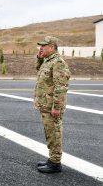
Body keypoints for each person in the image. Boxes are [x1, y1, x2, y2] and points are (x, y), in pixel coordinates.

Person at [34, 36, 70, 173]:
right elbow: (38, 70)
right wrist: (39, 57)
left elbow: (61, 86)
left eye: (44, 46)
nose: (41, 48)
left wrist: (57, 107)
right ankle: (52, 159)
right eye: (40, 46)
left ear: (52, 47)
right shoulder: (48, 61)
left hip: (51, 107)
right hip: (46, 105)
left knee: (54, 133)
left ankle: (55, 163)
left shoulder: (58, 62)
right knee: (49, 132)